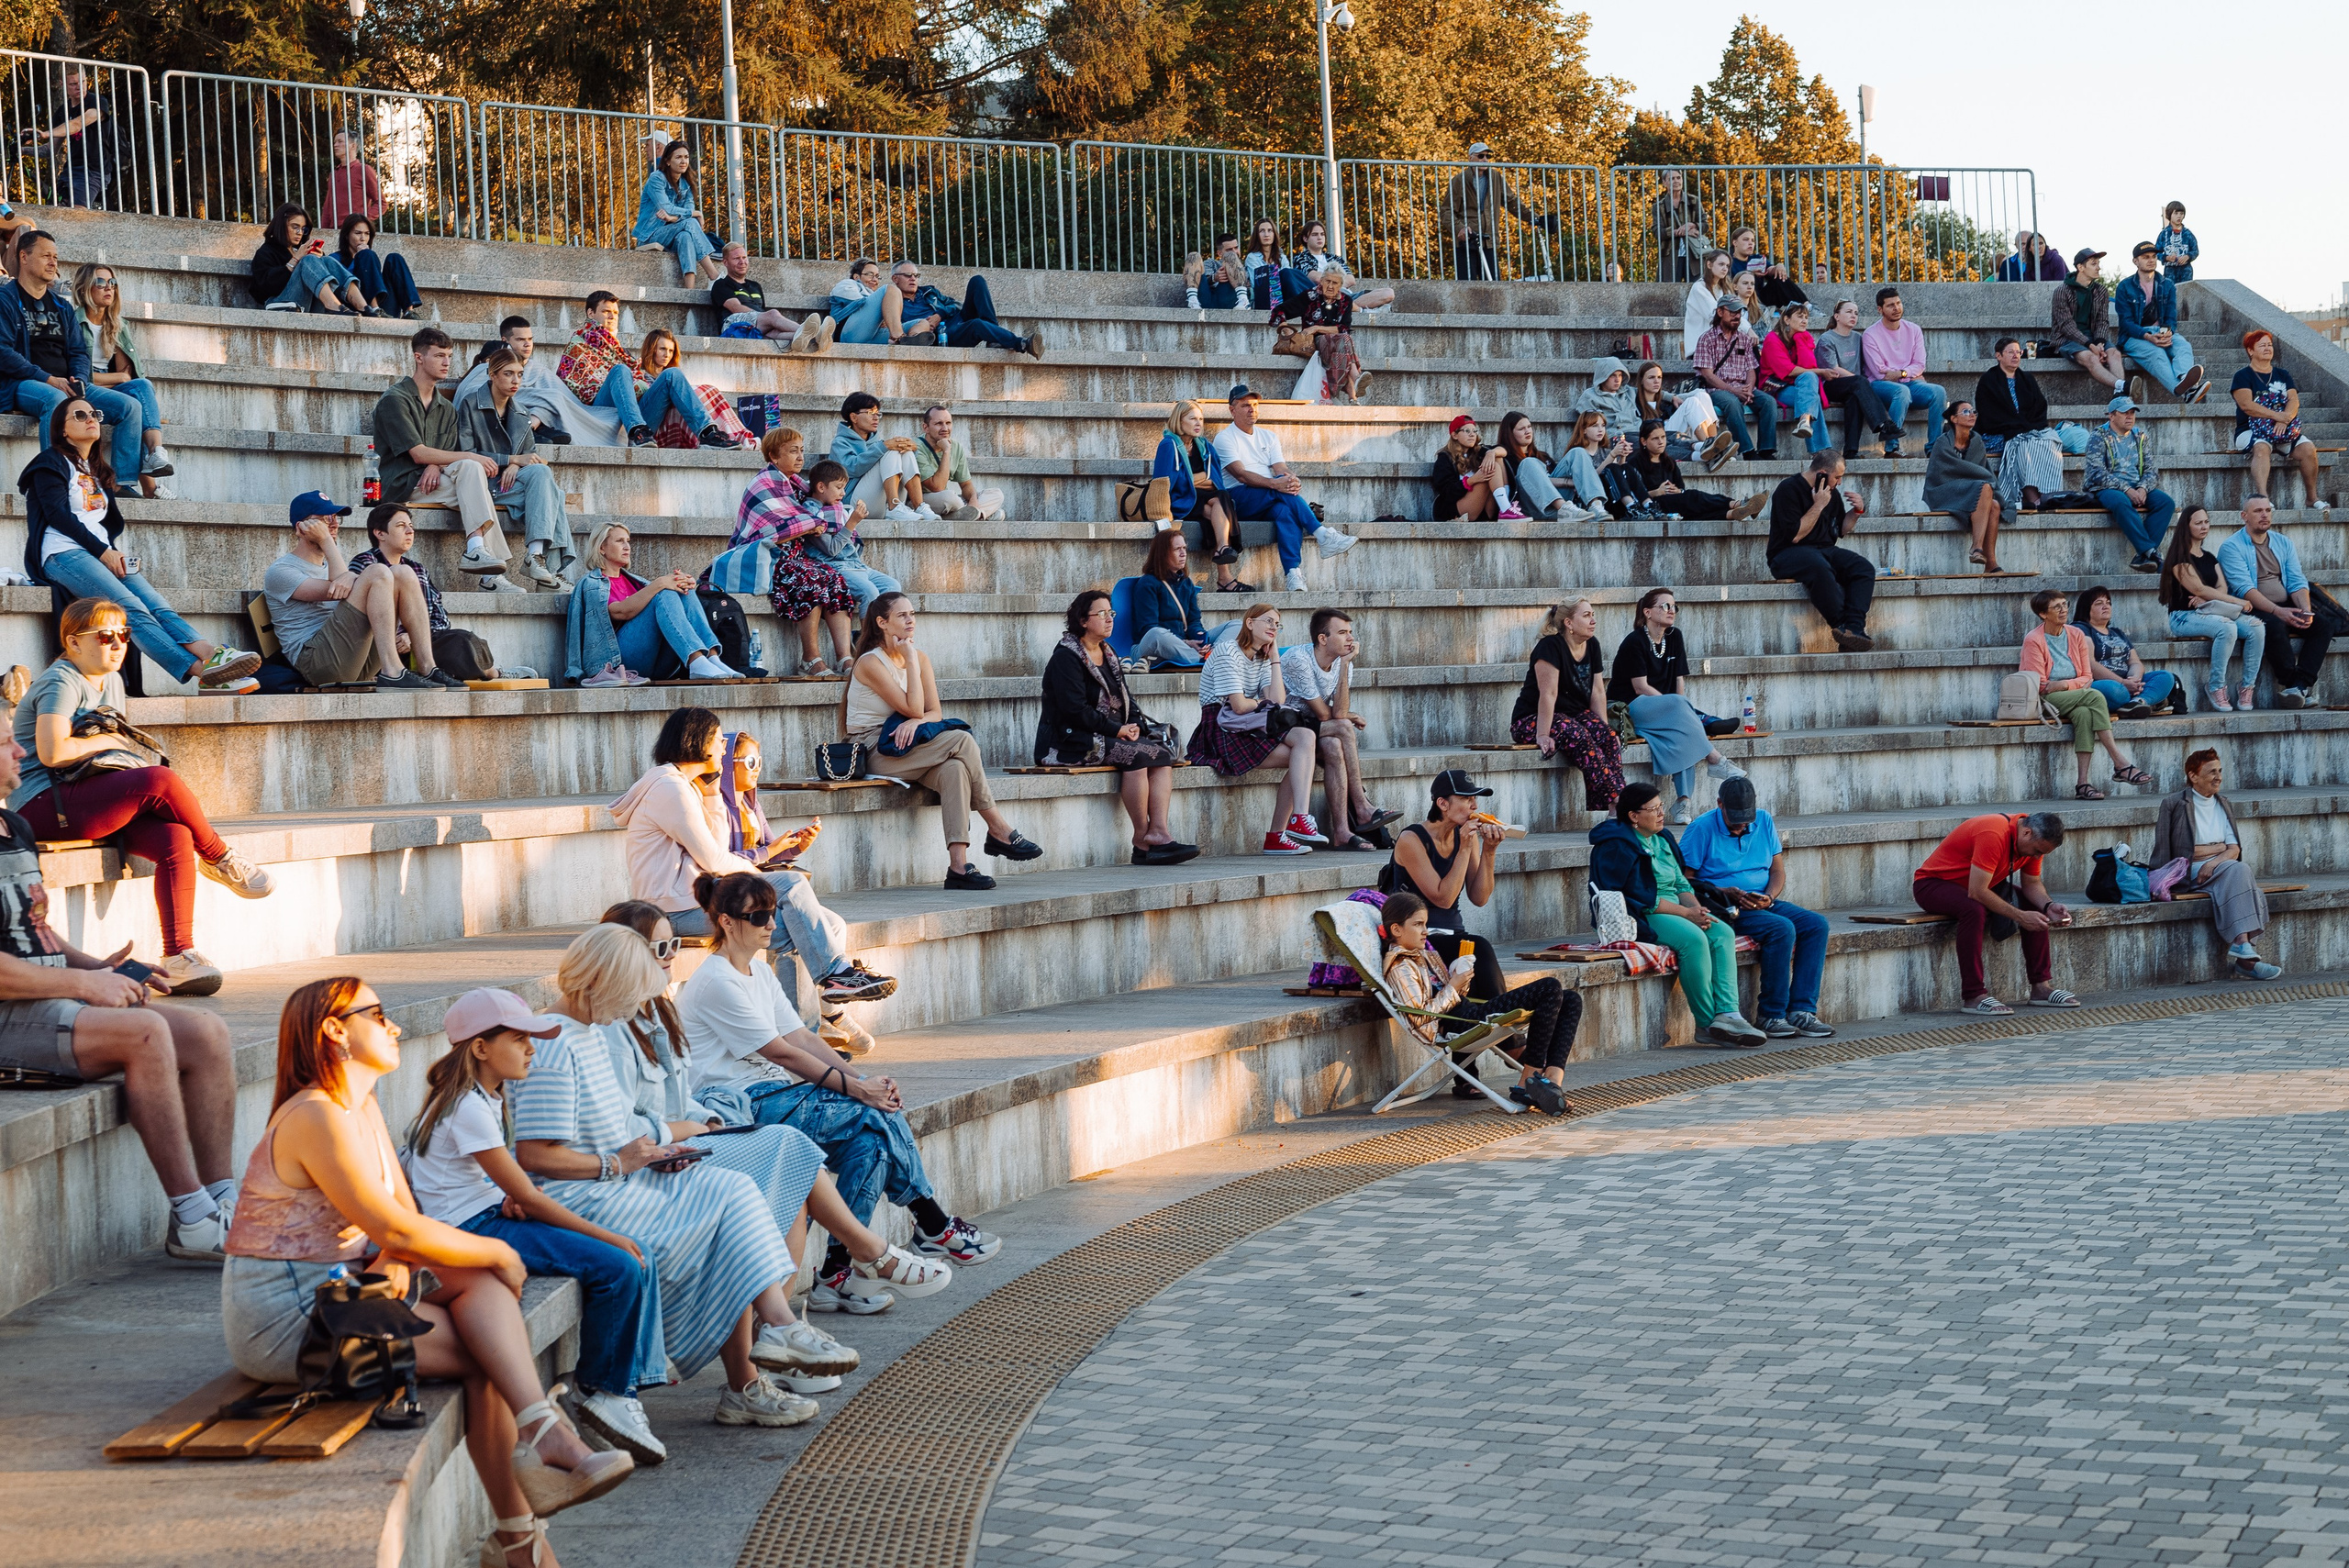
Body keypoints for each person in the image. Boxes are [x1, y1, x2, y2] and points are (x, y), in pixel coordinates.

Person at [224, 977, 637, 1567]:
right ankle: (525, 1516)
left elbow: (400, 1219)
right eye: (378, 1013)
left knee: (486, 1309)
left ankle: (537, 1474)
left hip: (344, 1293)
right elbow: (396, 1229)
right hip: (290, 1323)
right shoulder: (317, 1115)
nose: (394, 1026)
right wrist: (498, 1252)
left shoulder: (358, 1107)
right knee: (489, 1342)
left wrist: (400, 1253)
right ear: (335, 1031)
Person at [511, 929, 875, 1434]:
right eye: (629, 993)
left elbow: (615, 1129)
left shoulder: (589, 1032)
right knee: (722, 1214)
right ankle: (758, 1357)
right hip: (583, 1194)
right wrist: (620, 1162)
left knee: (732, 1187)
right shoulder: (552, 1045)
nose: (635, 1008)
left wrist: (658, 1150)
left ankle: (780, 1327)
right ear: (600, 982)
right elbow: (535, 1156)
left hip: (622, 1175)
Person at [648, 887, 991, 1317]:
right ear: (727, 922)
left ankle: (835, 1275)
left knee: (870, 1141)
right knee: (871, 1114)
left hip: (775, 1093)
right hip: (740, 1104)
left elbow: (804, 1038)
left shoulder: (760, 973)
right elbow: (782, 1052)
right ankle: (933, 1222)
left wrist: (864, 1080)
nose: (772, 925)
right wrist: (859, 1091)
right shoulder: (716, 980)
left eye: (772, 914)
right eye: (759, 917)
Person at [0, 669, 246, 1251]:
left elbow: (33, 932)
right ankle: (192, 1220)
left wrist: (97, 969)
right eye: (5, 742)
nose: (17, 748)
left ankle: (223, 1200)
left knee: (206, 1033)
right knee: (143, 1036)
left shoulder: (11, 827)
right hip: (11, 1015)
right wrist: (87, 990)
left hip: (45, 997)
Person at [401, 987, 667, 1462]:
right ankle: (604, 1392)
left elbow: (503, 1187)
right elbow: (526, 1195)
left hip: (486, 1216)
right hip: (474, 1233)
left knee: (626, 1258)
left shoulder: (479, 1097)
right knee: (620, 1264)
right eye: (520, 1038)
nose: (531, 1048)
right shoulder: (467, 1106)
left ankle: (614, 1389)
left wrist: (508, 1197)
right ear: (481, 1048)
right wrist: (607, 1235)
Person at [611, 706, 891, 1009]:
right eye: (719, 740)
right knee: (792, 889)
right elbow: (714, 860)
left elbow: (716, 847)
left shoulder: (686, 785)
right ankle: (833, 981)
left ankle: (811, 1025)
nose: (723, 748)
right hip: (670, 911)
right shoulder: (669, 788)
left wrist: (712, 794)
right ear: (700, 742)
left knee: (817, 924)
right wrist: (753, 871)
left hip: (690, 901)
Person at [19, 398, 258, 690]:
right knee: (130, 608)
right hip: (62, 554)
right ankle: (201, 673)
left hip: (101, 552)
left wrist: (111, 551)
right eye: (79, 415)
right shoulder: (50, 463)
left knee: (158, 605)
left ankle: (212, 656)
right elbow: (59, 516)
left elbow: (100, 525)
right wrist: (104, 552)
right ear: (63, 430)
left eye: (94, 414)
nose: (90, 418)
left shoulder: (94, 469)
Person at [844, 593, 1041, 889]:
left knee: (955, 771)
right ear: (882, 623)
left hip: (906, 744)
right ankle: (998, 827)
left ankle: (958, 867)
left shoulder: (920, 657)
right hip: (871, 748)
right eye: (902, 616)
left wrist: (917, 720)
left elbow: (932, 712)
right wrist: (911, 663)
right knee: (961, 741)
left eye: (912, 614)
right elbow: (912, 706)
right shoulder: (870, 663)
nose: (910, 620)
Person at [1586, 783, 1767, 1047]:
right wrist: (1686, 914)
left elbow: (1682, 883)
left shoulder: (1663, 838)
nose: (1661, 813)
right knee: (1693, 939)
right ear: (1634, 816)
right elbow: (1640, 897)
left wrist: (1698, 910)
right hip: (1639, 913)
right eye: (1654, 809)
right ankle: (1706, 1023)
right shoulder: (1618, 845)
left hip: (1676, 908)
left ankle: (1728, 1013)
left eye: (1661, 806)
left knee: (1722, 931)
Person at [1377, 889, 1576, 1115]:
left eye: (1425, 924)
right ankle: (1529, 1080)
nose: (1425, 931)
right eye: (1418, 925)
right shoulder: (1401, 966)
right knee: (1548, 987)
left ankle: (1552, 1083)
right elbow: (1421, 1017)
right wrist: (1453, 986)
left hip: (1465, 1012)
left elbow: (1449, 995)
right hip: (1453, 1023)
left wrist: (1460, 978)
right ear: (1396, 929)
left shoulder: (1422, 955)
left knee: (1571, 999)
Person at [1041, 591, 1195, 864]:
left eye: (1111, 613)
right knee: (1136, 755)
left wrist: (1134, 725)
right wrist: (1117, 730)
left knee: (1161, 753)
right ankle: (1141, 840)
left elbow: (1126, 698)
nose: (1109, 619)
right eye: (1101, 614)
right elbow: (1074, 711)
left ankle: (1159, 833)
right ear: (1083, 620)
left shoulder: (1108, 653)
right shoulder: (1066, 658)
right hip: (1070, 741)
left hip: (1110, 734)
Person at [1679, 777, 1834, 1040]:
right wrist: (1722, 891)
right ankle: (1771, 1014)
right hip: (1722, 905)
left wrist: (1769, 897)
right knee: (1781, 928)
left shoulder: (1763, 820)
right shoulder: (1701, 829)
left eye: (1746, 818)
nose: (1742, 824)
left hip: (1760, 900)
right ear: (1720, 805)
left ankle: (1802, 1011)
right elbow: (1684, 880)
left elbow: (1777, 870)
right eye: (1736, 817)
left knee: (1816, 925)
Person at [373, 326, 519, 590]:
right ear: (419, 357)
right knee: (470, 468)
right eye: (439, 355)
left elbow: (443, 455)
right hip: (403, 484)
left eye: (449, 356)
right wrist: (456, 458)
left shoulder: (446, 408)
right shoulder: (395, 400)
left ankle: (478, 553)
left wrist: (435, 463)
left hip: (435, 482)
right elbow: (417, 452)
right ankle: (489, 571)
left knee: (474, 480)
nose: (446, 362)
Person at [264, 489, 455, 690]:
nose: (334, 523)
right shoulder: (281, 571)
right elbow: (339, 588)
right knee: (378, 571)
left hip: (355, 661)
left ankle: (428, 667)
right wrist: (327, 541)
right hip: (318, 664)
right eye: (323, 519)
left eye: (335, 518)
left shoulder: (331, 567)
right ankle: (393, 671)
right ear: (301, 527)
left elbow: (346, 583)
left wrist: (352, 575)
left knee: (403, 573)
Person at [0, 232, 147, 482]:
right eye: (46, 256)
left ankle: (123, 483)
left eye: (55, 257)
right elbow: (3, 352)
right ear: (23, 257)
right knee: (56, 401)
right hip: (22, 383)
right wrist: (48, 379)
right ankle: (55, 480)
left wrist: (78, 379)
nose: (53, 262)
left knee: (129, 407)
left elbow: (79, 352)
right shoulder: (6, 300)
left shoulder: (61, 306)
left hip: (66, 383)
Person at [1184, 601, 1325, 855]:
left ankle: (1298, 820)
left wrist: (1274, 658)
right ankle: (1277, 835)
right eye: (1268, 621)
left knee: (1305, 740)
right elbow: (1237, 705)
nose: (1274, 627)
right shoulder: (1228, 651)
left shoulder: (1261, 657)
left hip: (1248, 725)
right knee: (1302, 757)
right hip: (1220, 729)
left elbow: (1278, 700)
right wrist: (1260, 701)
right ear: (1250, 623)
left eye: (1277, 624)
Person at [1911, 811, 2078, 1014]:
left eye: (2040, 853)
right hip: (1933, 885)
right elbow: (1977, 892)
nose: (2036, 856)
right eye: (2036, 851)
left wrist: (2048, 906)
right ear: (2026, 833)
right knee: (1974, 910)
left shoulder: (2033, 843)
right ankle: (1973, 995)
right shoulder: (1993, 833)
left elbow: (2032, 884)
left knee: (2033, 907)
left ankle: (2041, 988)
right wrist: (2019, 916)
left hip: (1980, 883)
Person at [1606, 586, 1746, 826]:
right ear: (1648, 612)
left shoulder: (1674, 637)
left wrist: (1678, 711)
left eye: (1674, 607)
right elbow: (1639, 687)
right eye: (1665, 606)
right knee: (1683, 716)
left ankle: (1683, 802)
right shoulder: (1634, 641)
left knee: (1684, 734)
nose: (1672, 611)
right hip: (1630, 708)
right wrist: (1675, 706)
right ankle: (1714, 759)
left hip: (1664, 711)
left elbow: (1679, 681)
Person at [1385, 770, 1516, 1012]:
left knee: (1474, 965)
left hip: (1453, 935)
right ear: (1442, 803)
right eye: (1466, 799)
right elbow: (1443, 898)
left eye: (1474, 799)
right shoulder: (1411, 839)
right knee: (1481, 948)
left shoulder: (1464, 836)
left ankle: (1485, 1033)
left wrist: (1489, 851)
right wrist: (1465, 848)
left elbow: (1479, 897)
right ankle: (1507, 1033)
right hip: (1419, 939)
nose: (1474, 805)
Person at [734, 427, 857, 676]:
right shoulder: (763, 483)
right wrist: (810, 524)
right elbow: (772, 529)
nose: (801, 457)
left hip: (797, 558)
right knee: (810, 578)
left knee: (834, 578)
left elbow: (816, 516)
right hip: (768, 558)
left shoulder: (798, 486)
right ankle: (810, 659)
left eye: (801, 450)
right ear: (773, 456)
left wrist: (812, 524)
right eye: (793, 451)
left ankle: (845, 658)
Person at [347, 503, 509, 684]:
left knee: (462, 640)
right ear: (380, 533)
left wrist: (412, 636)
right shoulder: (365, 563)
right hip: (381, 648)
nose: (410, 531)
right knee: (459, 649)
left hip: (418, 648)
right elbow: (357, 613)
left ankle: (490, 672)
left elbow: (440, 620)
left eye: (411, 526)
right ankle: (493, 673)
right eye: (401, 526)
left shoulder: (417, 569)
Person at [2153, 751, 2280, 982]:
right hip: (2188, 872)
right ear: (2193, 776)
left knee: (2239, 870)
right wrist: (2217, 848)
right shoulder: (2175, 804)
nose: (2218, 777)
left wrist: (2212, 862)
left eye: (2220, 771)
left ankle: (2244, 952)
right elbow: (2180, 851)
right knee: (2240, 872)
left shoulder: (2223, 804)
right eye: (2212, 771)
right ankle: (2245, 957)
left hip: (2218, 869)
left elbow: (2234, 849)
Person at [1213, 384, 1354, 593]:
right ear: (1232, 410)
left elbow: (1280, 467)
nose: (1252, 409)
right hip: (1238, 498)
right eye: (1245, 406)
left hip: (1269, 497)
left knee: (1285, 511)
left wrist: (1291, 478)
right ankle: (1322, 534)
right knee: (1279, 491)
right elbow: (1240, 474)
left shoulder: (1268, 436)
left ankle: (1293, 573)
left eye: (1254, 405)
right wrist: (1275, 483)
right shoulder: (1224, 438)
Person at [2020, 589, 2157, 800]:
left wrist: (2064, 684)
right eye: (2057, 607)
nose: (2063, 610)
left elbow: (2087, 676)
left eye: (2065, 605)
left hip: (2071, 692)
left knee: (2085, 713)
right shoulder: (2034, 640)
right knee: (2094, 697)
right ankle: (2120, 762)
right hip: (2046, 699)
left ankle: (2082, 784)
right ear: (2043, 614)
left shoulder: (2075, 635)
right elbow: (2042, 686)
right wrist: (2065, 686)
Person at [563, 521, 740, 684]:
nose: (627, 547)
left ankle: (712, 657)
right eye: (619, 541)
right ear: (602, 547)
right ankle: (696, 660)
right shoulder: (593, 583)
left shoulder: (635, 581)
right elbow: (619, 612)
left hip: (657, 662)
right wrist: (661, 583)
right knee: (664, 591)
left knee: (682, 590)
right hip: (619, 665)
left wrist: (684, 583)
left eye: (628, 541)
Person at [457, 344, 573, 587]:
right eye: (508, 373)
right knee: (552, 491)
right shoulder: (471, 404)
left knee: (550, 486)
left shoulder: (520, 412)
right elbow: (466, 454)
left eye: (520, 374)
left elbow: (529, 455)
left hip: (509, 485)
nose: (515, 380)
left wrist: (516, 466)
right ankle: (548, 573)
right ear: (492, 375)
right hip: (480, 485)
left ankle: (536, 557)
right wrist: (510, 460)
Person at [1281, 608, 1395, 854]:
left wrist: (1344, 666)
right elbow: (1326, 715)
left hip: (1310, 729)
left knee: (1334, 744)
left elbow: (1339, 712)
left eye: (1351, 632)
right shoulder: (1298, 659)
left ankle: (1342, 831)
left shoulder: (1343, 662)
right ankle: (1362, 806)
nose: (1350, 639)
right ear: (1323, 639)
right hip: (1282, 728)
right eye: (1342, 633)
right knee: (1343, 727)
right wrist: (1347, 716)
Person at [1508, 596, 1624, 812]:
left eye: (1593, 615)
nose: (1593, 620)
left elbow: (1598, 692)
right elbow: (1548, 693)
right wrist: (1542, 734)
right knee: (1576, 733)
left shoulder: (1592, 645)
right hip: (1532, 719)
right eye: (1586, 615)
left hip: (1573, 716)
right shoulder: (1549, 647)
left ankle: (1613, 809)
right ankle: (1621, 800)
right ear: (1568, 623)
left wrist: (1604, 728)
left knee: (1608, 738)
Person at [2217, 494, 2331, 707]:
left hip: (2285, 604)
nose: (2264, 515)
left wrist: (2305, 610)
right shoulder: (2231, 547)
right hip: (2250, 608)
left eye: (2268, 510)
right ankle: (2291, 683)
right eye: (2258, 511)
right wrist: (2279, 612)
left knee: (2322, 625)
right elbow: (2244, 589)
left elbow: (2297, 581)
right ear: (2244, 516)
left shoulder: (2283, 542)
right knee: (2274, 626)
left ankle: (2299, 686)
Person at [556, 291, 707, 449]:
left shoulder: (619, 350)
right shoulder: (578, 344)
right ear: (591, 313)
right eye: (606, 311)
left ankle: (708, 433)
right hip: (601, 415)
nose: (612, 317)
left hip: (640, 419)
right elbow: (571, 387)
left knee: (672, 374)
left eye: (615, 313)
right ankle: (637, 431)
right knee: (620, 370)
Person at [70, 261, 172, 495]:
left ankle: (156, 453)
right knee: (131, 406)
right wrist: (117, 377)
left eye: (113, 283)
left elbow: (129, 376)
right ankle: (129, 483)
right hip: (83, 390)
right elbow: (77, 375)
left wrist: (118, 378)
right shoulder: (73, 322)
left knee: (143, 385)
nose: (109, 288)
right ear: (86, 287)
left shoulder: (117, 325)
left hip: (107, 384)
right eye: (101, 282)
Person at [2159, 503, 2264, 711]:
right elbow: (2198, 589)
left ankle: (2246, 687)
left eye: (2206, 522)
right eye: (2198, 523)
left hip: (2211, 610)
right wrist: (2237, 601)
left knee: (2257, 627)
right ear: (2186, 527)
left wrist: (2209, 600)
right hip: (2183, 616)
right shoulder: (2178, 559)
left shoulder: (2210, 558)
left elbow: (2221, 587)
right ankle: (2216, 686)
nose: (2204, 526)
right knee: (2227, 628)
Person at [1767, 451, 1876, 651]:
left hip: (1824, 550)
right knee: (1818, 565)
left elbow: (1841, 529)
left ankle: (1854, 629)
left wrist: (1857, 512)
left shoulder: (1829, 492)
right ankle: (1841, 626)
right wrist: (1818, 505)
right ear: (1823, 473)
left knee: (1863, 568)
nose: (1840, 483)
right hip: (1786, 553)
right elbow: (1796, 535)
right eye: (1837, 477)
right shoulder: (1788, 489)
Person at [456, 317, 620, 448]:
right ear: (505, 341)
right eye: (521, 339)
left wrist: (539, 410)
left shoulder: (538, 369)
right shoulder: (484, 368)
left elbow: (561, 399)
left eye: (530, 339)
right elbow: (475, 395)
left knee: (551, 400)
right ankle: (532, 430)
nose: (527, 344)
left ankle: (533, 429)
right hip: (494, 422)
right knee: (546, 399)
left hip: (531, 418)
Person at [1153, 399, 1246, 589]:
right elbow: (1165, 483)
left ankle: (1222, 552)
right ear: (1179, 421)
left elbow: (1216, 480)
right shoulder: (1168, 445)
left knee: (1217, 505)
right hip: (1179, 500)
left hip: (1204, 501)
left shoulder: (1205, 447)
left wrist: (1190, 478)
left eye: (1201, 419)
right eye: (1193, 418)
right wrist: (1200, 478)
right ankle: (1225, 574)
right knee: (1220, 503)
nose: (1198, 423)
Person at [2231, 331, 2325, 510]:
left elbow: (2293, 400)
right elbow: (2247, 405)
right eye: (2262, 345)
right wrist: (2277, 417)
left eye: (2270, 345)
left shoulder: (2283, 374)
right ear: (2250, 351)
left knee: (2308, 449)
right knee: (2261, 447)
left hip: (2282, 428)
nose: (2268, 348)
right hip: (2249, 429)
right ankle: (2263, 499)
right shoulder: (2242, 376)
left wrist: (2285, 419)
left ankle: (2312, 498)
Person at [795, 460, 901, 618]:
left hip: (856, 564)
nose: (843, 493)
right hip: (835, 566)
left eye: (844, 487)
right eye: (838, 487)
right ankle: (867, 641)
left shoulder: (837, 509)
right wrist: (852, 522)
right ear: (821, 487)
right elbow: (832, 550)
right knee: (869, 592)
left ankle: (873, 636)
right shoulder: (813, 513)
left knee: (892, 587)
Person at [869, 260, 1042, 358]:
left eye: (916, 275)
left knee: (977, 281)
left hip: (953, 320)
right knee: (976, 325)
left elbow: (956, 305)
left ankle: (994, 337)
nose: (913, 279)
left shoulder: (929, 292)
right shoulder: (893, 300)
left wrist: (940, 314)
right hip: (942, 336)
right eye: (908, 275)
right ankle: (1022, 343)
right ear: (895, 279)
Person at [2084, 395, 2175, 573]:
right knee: (2120, 502)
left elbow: (2151, 470)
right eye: (2125, 413)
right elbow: (2096, 472)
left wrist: (2142, 488)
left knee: (2166, 503)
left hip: (2137, 484)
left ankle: (2144, 555)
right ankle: (2151, 552)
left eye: (2132, 413)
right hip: (2106, 487)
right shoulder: (2098, 436)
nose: (2130, 417)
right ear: (2111, 416)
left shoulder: (2140, 436)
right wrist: (2126, 489)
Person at [1974, 337, 2064, 516]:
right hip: (1997, 433)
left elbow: (2039, 407)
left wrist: (2028, 427)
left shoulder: (2027, 378)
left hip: (2027, 430)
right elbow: (1988, 414)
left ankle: (2047, 493)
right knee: (2020, 444)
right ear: (1998, 356)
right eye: (2010, 352)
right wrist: (2017, 427)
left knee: (2050, 441)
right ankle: (2031, 495)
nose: (2016, 356)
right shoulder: (1988, 381)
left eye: (2018, 352)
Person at [1445, 142, 1556, 282]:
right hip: (1467, 240)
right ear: (1470, 158)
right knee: (1467, 287)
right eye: (1481, 156)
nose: (1485, 159)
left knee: (1494, 285)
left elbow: (1511, 201)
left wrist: (1534, 218)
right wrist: (1459, 228)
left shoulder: (1495, 177)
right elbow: (1447, 210)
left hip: (1489, 240)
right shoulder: (1459, 181)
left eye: (1487, 156)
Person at [2114, 241, 2207, 403]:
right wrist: (2148, 336)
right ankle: (2183, 390)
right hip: (2135, 336)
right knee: (2157, 353)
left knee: (2183, 345)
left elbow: (2171, 316)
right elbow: (2126, 323)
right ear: (2135, 261)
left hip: (2160, 332)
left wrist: (2167, 332)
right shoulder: (2125, 287)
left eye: (2153, 257)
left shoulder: (2167, 285)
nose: (2151, 260)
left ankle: (2185, 378)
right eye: (2145, 257)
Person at [1808, 299, 1901, 458]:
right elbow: (1834, 369)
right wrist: (1861, 382)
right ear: (1837, 316)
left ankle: (1851, 451)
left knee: (1854, 398)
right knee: (1859, 383)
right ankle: (1883, 423)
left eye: (1856, 313)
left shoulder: (1858, 338)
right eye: (1849, 312)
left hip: (1855, 386)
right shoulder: (1827, 339)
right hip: (1831, 385)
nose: (1853, 316)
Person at [2073, 584, 2180, 717]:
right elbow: (2090, 664)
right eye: (2098, 603)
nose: (2105, 606)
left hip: (2126, 683)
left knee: (2165, 677)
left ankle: (2135, 702)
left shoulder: (2117, 633)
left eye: (2108, 603)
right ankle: (2144, 701)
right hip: (2101, 683)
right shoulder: (2081, 629)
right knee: (2115, 691)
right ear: (2086, 609)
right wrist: (2123, 683)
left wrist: (2134, 680)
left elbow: (2135, 662)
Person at [1922, 401, 2006, 572]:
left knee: (1995, 505)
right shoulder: (1942, 443)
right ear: (1954, 419)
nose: (1972, 415)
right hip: (1943, 490)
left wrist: (1976, 480)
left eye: (1973, 411)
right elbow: (1940, 475)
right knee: (1984, 487)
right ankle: (1976, 547)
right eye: (1966, 412)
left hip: (1970, 490)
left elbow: (1983, 470)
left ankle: (1991, 563)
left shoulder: (1977, 442)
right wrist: (1977, 479)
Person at [1859, 287, 1947, 450]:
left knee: (1938, 392)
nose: (1896, 308)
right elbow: (1879, 373)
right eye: (1890, 305)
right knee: (1902, 391)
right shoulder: (1870, 334)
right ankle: (1892, 447)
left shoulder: (1914, 330)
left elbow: (1920, 364)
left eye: (1898, 303)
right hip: (1880, 387)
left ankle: (1934, 447)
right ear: (1880, 310)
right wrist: (1909, 374)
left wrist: (1901, 373)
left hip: (1909, 383)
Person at [247, 204, 372, 315]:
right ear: (281, 225)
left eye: (303, 228)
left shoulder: (298, 250)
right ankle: (333, 305)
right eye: (295, 227)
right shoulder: (266, 251)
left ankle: (363, 307)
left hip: (308, 304)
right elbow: (263, 289)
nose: (299, 232)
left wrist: (320, 258)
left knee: (326, 260)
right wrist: (295, 260)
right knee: (308, 260)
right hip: (281, 304)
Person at [1692, 298, 1777, 460]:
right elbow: (1707, 375)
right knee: (1732, 403)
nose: (1737, 316)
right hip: (1716, 389)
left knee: (1768, 402)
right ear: (1720, 312)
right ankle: (1747, 451)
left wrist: (1749, 388)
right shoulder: (1706, 339)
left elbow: (1751, 369)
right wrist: (1733, 390)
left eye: (1739, 312)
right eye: (1732, 312)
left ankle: (1767, 450)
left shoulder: (1744, 339)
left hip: (1741, 387)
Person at [637, 328, 750, 450]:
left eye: (671, 350)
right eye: (662, 349)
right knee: (673, 374)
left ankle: (712, 433)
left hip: (669, 426)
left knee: (707, 390)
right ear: (651, 349)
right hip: (644, 426)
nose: (667, 355)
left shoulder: (673, 378)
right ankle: (707, 434)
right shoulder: (638, 372)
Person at [1631, 419, 1763, 521]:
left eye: (1663, 437)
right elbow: (1632, 496)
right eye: (1655, 438)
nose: (1661, 442)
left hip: (1675, 502)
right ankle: (1738, 503)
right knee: (1693, 496)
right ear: (1643, 441)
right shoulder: (1634, 463)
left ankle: (1733, 513)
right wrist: (1657, 492)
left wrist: (1678, 491)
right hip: (1655, 506)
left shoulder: (1669, 461)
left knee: (1697, 511)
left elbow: (1681, 488)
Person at [1276, 264, 1368, 405]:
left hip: (1338, 342)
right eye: (1327, 281)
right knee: (1344, 340)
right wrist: (1284, 326)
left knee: (1344, 340)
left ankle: (1353, 395)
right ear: (1322, 281)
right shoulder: (1310, 296)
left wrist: (1318, 327)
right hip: (1313, 341)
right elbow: (1281, 310)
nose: (1330, 286)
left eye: (1335, 283)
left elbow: (1344, 328)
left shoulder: (1346, 301)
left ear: (1341, 285)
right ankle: (1355, 381)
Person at [711, 240, 828, 351]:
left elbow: (762, 312)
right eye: (736, 258)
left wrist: (766, 320)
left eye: (744, 257)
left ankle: (815, 339)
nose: (742, 262)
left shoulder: (755, 286)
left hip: (757, 326)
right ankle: (817, 333)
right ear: (725, 262)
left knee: (779, 334)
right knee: (773, 314)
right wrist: (767, 318)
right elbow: (736, 308)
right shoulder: (721, 284)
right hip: (734, 326)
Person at [829, 390, 925, 521]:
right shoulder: (840, 443)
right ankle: (894, 507)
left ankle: (919, 506)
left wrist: (911, 449)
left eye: (877, 414)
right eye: (870, 413)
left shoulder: (878, 443)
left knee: (903, 450)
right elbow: (851, 469)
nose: (876, 418)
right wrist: (883, 447)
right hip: (855, 505)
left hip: (881, 504)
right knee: (890, 450)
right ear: (854, 417)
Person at [636, 140, 720, 286]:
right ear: (668, 161)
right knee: (691, 222)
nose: (683, 161)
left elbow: (678, 214)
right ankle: (714, 276)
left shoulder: (686, 185)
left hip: (673, 234)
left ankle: (689, 291)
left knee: (685, 236)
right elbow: (667, 207)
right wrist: (696, 213)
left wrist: (672, 218)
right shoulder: (657, 179)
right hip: (650, 235)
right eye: (678, 157)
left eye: (686, 157)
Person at [1493, 410, 1598, 524]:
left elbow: (1548, 483)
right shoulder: (1507, 458)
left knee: (1578, 452)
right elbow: (1540, 482)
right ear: (1510, 433)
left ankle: (1596, 506)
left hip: (1556, 507)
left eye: (1529, 427)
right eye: (1521, 429)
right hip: (1529, 508)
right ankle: (1564, 508)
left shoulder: (1543, 456)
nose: (1528, 431)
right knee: (1529, 463)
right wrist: (1568, 482)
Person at [2050, 248, 2130, 398]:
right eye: (2094, 264)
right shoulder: (2062, 291)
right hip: (2067, 340)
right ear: (2080, 267)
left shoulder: (2101, 291)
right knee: (2091, 358)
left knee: (2114, 353)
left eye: (2098, 263)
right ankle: (2122, 386)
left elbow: (2102, 320)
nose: (2098, 267)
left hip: (2093, 338)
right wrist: (2090, 345)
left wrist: (2099, 342)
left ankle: (2119, 395)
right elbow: (2066, 326)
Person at [1129, 529, 1215, 668]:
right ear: (1163, 554)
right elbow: (1148, 628)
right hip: (1149, 648)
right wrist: (1186, 643)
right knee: (1157, 634)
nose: (1183, 554)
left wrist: (1199, 638)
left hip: (1183, 645)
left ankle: (1212, 653)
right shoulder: (1148, 584)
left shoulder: (1187, 583)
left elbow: (1193, 620)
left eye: (1184, 548)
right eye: (1177, 549)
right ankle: (1203, 659)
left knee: (1234, 625)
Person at [1632, 360, 1734, 470]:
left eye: (1659, 377)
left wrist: (1671, 397)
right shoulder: (1633, 401)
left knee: (1702, 395)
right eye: (1651, 378)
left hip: (1680, 436)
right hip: (1663, 439)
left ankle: (1714, 445)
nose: (1656, 381)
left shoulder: (1666, 401)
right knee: (1691, 403)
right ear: (1642, 380)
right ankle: (1711, 450)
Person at [1756, 301, 1830, 453]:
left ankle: (1805, 422)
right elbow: (1788, 370)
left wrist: (1801, 341)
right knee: (1812, 396)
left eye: (1807, 317)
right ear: (1787, 319)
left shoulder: (1802, 338)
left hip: (1798, 385)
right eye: (1800, 316)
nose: (1804, 321)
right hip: (1775, 387)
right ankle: (1821, 451)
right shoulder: (1772, 339)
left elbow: (1808, 366)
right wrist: (1822, 371)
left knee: (1810, 386)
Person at [34, 67, 112, 207]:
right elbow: (49, 150)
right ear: (62, 84)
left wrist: (46, 134)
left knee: (77, 215)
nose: (79, 87)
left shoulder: (97, 102)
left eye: (82, 81)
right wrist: (23, 149)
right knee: (56, 211)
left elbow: (77, 124)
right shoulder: (63, 110)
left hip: (93, 170)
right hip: (70, 171)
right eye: (73, 84)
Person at [911, 404, 1004, 521]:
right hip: (922, 502)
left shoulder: (956, 446)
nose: (945, 428)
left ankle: (971, 513)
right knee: (950, 498)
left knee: (997, 494)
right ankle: (980, 515)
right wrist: (946, 451)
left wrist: (973, 501)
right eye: (939, 424)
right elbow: (937, 487)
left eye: (948, 423)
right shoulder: (916, 447)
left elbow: (966, 484)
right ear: (926, 428)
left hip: (950, 503)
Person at [1559, 410, 1655, 519]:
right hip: (1590, 502)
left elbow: (1618, 475)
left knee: (1626, 467)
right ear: (1584, 430)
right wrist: (1612, 455)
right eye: (1595, 426)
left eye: (1603, 425)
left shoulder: (1605, 452)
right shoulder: (1577, 454)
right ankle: (1631, 507)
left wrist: (1622, 455)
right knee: (1612, 467)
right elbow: (1589, 481)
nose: (1600, 430)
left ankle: (1648, 505)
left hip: (1611, 497)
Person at [1289, 218, 1396, 311]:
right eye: (1315, 234)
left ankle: (1348, 308)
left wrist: (1332, 284)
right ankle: (1360, 310)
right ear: (1305, 238)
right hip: (1323, 297)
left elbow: (1351, 279)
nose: (1320, 237)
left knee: (1388, 293)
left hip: (1347, 295)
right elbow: (1317, 278)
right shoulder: (1301, 258)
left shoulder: (1334, 258)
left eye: (1322, 234)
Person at [334, 213, 421, 320]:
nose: (363, 238)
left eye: (367, 234)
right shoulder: (334, 258)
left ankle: (409, 311)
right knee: (367, 255)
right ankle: (374, 309)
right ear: (347, 235)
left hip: (385, 309)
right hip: (359, 307)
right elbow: (340, 286)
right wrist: (359, 258)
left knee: (395, 258)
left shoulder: (369, 257)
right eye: (358, 233)